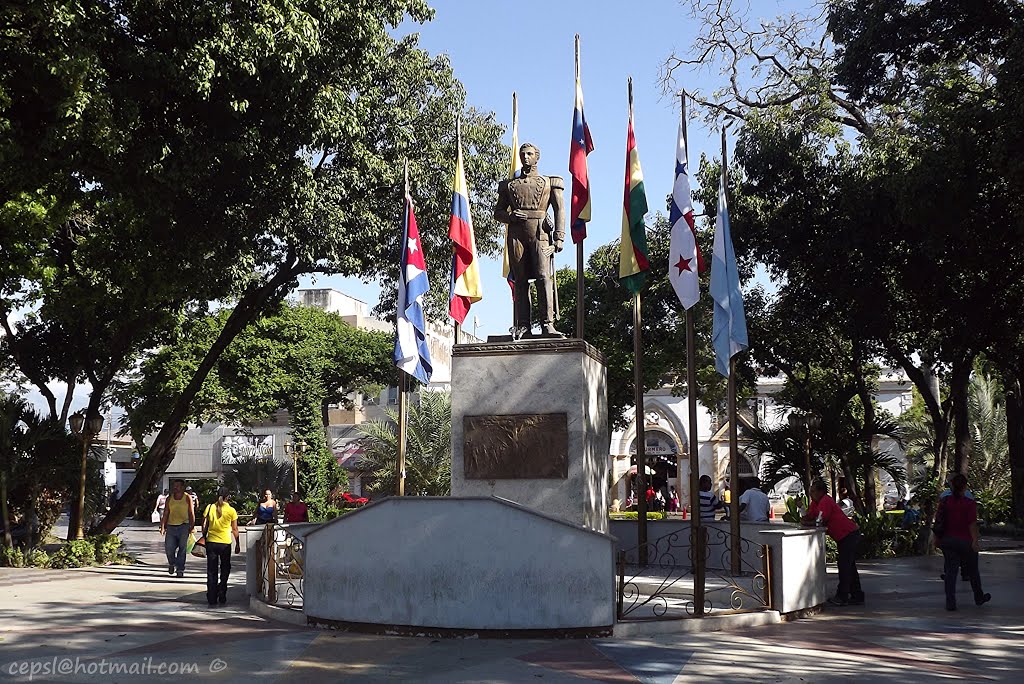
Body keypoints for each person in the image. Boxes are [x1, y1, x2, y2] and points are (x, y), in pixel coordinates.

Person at [493, 143, 566, 339]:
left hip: (540, 233)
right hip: (517, 234)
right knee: (521, 280)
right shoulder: (509, 186)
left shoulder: (550, 182)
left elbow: (559, 209)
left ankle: (547, 324)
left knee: (543, 277)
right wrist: (510, 217)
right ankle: (523, 326)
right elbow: (498, 212)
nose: (525, 157)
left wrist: (559, 237)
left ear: (537, 157)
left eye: (529, 154)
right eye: (523, 154)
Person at [802, 479, 864, 606]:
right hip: (843, 536)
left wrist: (808, 522)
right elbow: (809, 517)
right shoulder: (816, 503)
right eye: (810, 491)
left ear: (821, 492)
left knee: (844, 565)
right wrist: (801, 509)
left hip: (848, 534)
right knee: (849, 565)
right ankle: (857, 595)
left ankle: (843, 596)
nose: (811, 494)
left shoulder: (826, 501)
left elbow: (820, 521)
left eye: (813, 491)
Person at [935, 473, 991, 611]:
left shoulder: (945, 501)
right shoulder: (969, 503)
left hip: (948, 541)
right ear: (965, 486)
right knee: (973, 571)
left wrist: (937, 539)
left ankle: (950, 602)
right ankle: (979, 597)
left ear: (952, 486)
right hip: (965, 541)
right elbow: (972, 524)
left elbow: (938, 522)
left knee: (950, 572)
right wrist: (975, 541)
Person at [201, 486, 240, 608]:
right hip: (225, 543)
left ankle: (212, 596)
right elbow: (234, 529)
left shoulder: (210, 507)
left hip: (211, 542)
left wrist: (204, 536)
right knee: (225, 568)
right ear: (228, 497)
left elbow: (204, 524)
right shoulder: (231, 511)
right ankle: (222, 591)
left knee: (211, 571)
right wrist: (237, 543)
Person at [160, 479, 195, 578]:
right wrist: (163, 526)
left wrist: (192, 526)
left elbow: (191, 512)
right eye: (174, 486)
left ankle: (180, 569)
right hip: (171, 526)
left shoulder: (187, 498)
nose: (175, 488)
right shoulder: (169, 499)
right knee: (169, 548)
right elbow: (166, 513)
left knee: (182, 549)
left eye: (178, 486)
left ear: (182, 487)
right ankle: (172, 563)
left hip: (184, 526)